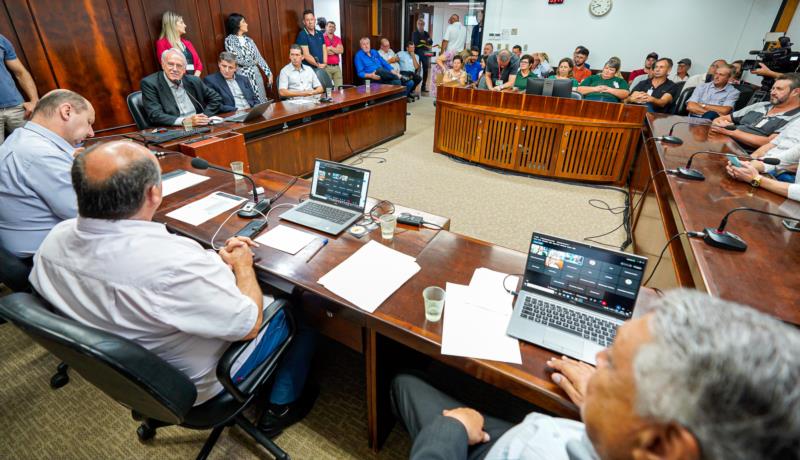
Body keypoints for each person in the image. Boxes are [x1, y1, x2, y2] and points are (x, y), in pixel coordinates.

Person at [30, 141, 318, 435]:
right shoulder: (173, 264)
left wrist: (211, 264)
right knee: (301, 307)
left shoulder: (53, 241)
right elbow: (249, 325)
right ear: (154, 193)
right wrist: (243, 265)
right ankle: (281, 406)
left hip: (135, 377)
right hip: (203, 382)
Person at [391, 289, 800, 459]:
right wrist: (602, 407)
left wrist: (455, 430)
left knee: (406, 381)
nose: (596, 360)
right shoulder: (639, 440)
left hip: (485, 445)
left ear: (662, 446)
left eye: (614, 364)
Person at [0, 90, 94, 259]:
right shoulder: (41, 155)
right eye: (88, 122)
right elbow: (92, 215)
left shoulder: (21, 138)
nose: (91, 133)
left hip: (23, 249)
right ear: (66, 112)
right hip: (51, 257)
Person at [710, 73, 800, 149]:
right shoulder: (760, 105)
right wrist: (721, 125)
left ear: (795, 92)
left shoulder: (796, 118)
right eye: (773, 88)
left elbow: (769, 143)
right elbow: (721, 119)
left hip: (745, 153)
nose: (772, 92)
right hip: (722, 141)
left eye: (779, 89)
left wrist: (731, 132)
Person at [140, 49, 222, 127]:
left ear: (184, 69)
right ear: (163, 65)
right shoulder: (150, 83)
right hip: (174, 128)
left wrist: (203, 118)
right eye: (170, 64)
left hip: (199, 126)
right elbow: (155, 115)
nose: (175, 69)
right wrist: (186, 122)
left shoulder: (194, 81)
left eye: (179, 65)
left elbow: (216, 98)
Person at [224, 14, 273, 104]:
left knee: (262, 100)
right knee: (248, 102)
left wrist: (269, 73)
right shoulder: (229, 40)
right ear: (237, 24)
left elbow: (258, 57)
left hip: (256, 73)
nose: (246, 24)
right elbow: (237, 59)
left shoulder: (249, 40)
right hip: (242, 74)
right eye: (243, 22)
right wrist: (253, 62)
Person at [1, 34, 39, 143]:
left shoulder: (1, 40)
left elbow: (20, 72)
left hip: (16, 108)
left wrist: (34, 101)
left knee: (33, 146)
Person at [155, 11, 203, 77]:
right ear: (172, 25)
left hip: (195, 80)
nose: (185, 25)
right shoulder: (162, 43)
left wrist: (195, 79)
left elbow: (199, 64)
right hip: (179, 82)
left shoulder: (187, 43)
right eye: (181, 22)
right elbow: (167, 67)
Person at [295, 10, 329, 87]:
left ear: (314, 20)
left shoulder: (320, 33)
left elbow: (324, 49)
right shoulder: (302, 35)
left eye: (311, 19)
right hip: (309, 70)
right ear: (304, 22)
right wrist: (318, 65)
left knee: (326, 90)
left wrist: (325, 63)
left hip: (321, 68)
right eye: (307, 20)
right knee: (316, 92)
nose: (310, 22)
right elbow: (306, 55)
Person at [412, 19, 433, 93]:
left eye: (422, 24)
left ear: (424, 25)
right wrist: (425, 42)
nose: (420, 26)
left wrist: (427, 41)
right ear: (417, 25)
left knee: (426, 69)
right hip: (417, 53)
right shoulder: (415, 33)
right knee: (416, 69)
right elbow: (416, 43)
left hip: (425, 53)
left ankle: (423, 86)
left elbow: (430, 42)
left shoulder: (426, 33)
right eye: (419, 24)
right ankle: (413, 87)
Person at [323, 21, 344, 88]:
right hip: (326, 67)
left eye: (333, 27)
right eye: (329, 26)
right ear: (326, 27)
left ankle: (339, 99)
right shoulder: (321, 38)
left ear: (335, 29)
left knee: (340, 87)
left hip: (336, 67)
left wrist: (330, 48)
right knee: (328, 88)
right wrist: (335, 50)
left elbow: (341, 50)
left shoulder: (337, 38)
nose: (331, 28)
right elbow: (322, 51)